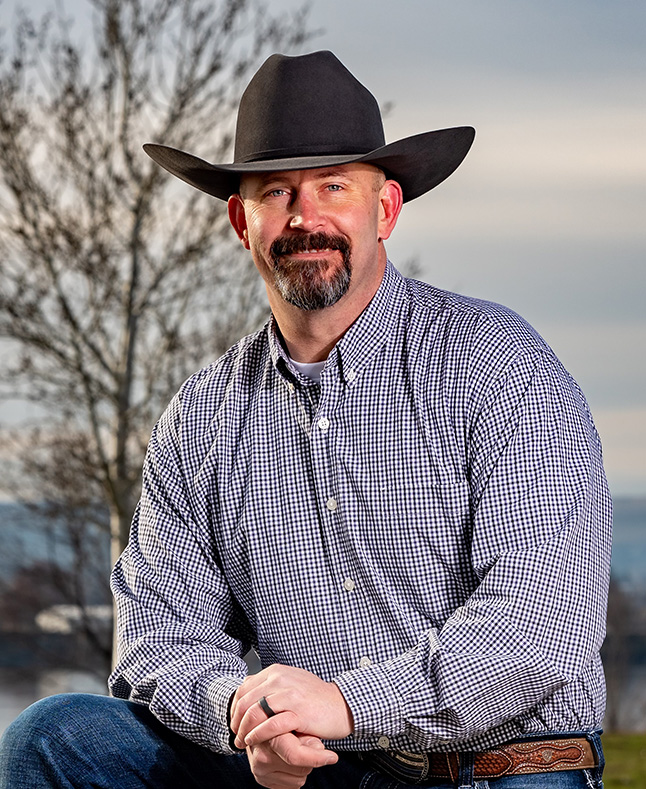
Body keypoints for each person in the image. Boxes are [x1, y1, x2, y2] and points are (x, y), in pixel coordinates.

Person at [0, 51, 611, 789]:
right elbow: (158, 634)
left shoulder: (500, 366)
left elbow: (538, 629)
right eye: (276, 191)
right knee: (55, 739)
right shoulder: (202, 419)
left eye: (332, 186)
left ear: (384, 208)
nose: (304, 216)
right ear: (241, 220)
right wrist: (243, 714)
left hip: (493, 768)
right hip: (308, 769)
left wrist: (349, 703)